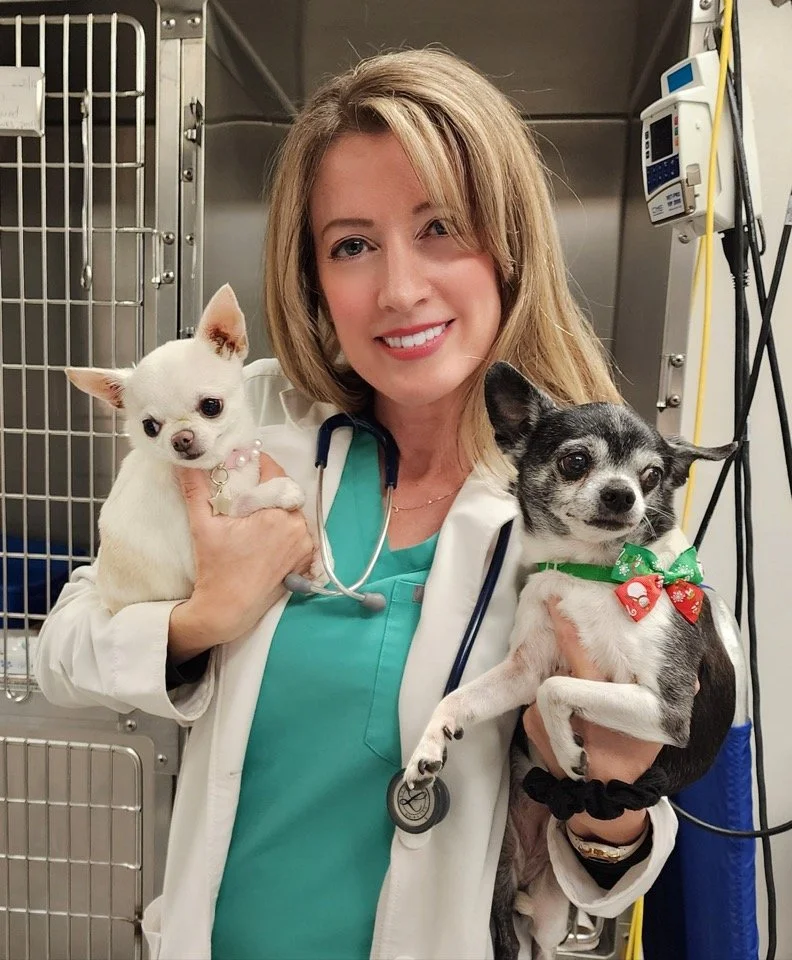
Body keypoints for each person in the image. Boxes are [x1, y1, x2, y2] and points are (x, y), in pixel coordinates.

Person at [36, 48, 677, 960]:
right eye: (352, 244)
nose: (399, 288)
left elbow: (610, 875)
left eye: (441, 228)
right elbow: (63, 651)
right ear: (312, 277)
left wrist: (609, 798)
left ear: (511, 245)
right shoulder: (237, 422)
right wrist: (197, 620)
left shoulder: (596, 502)